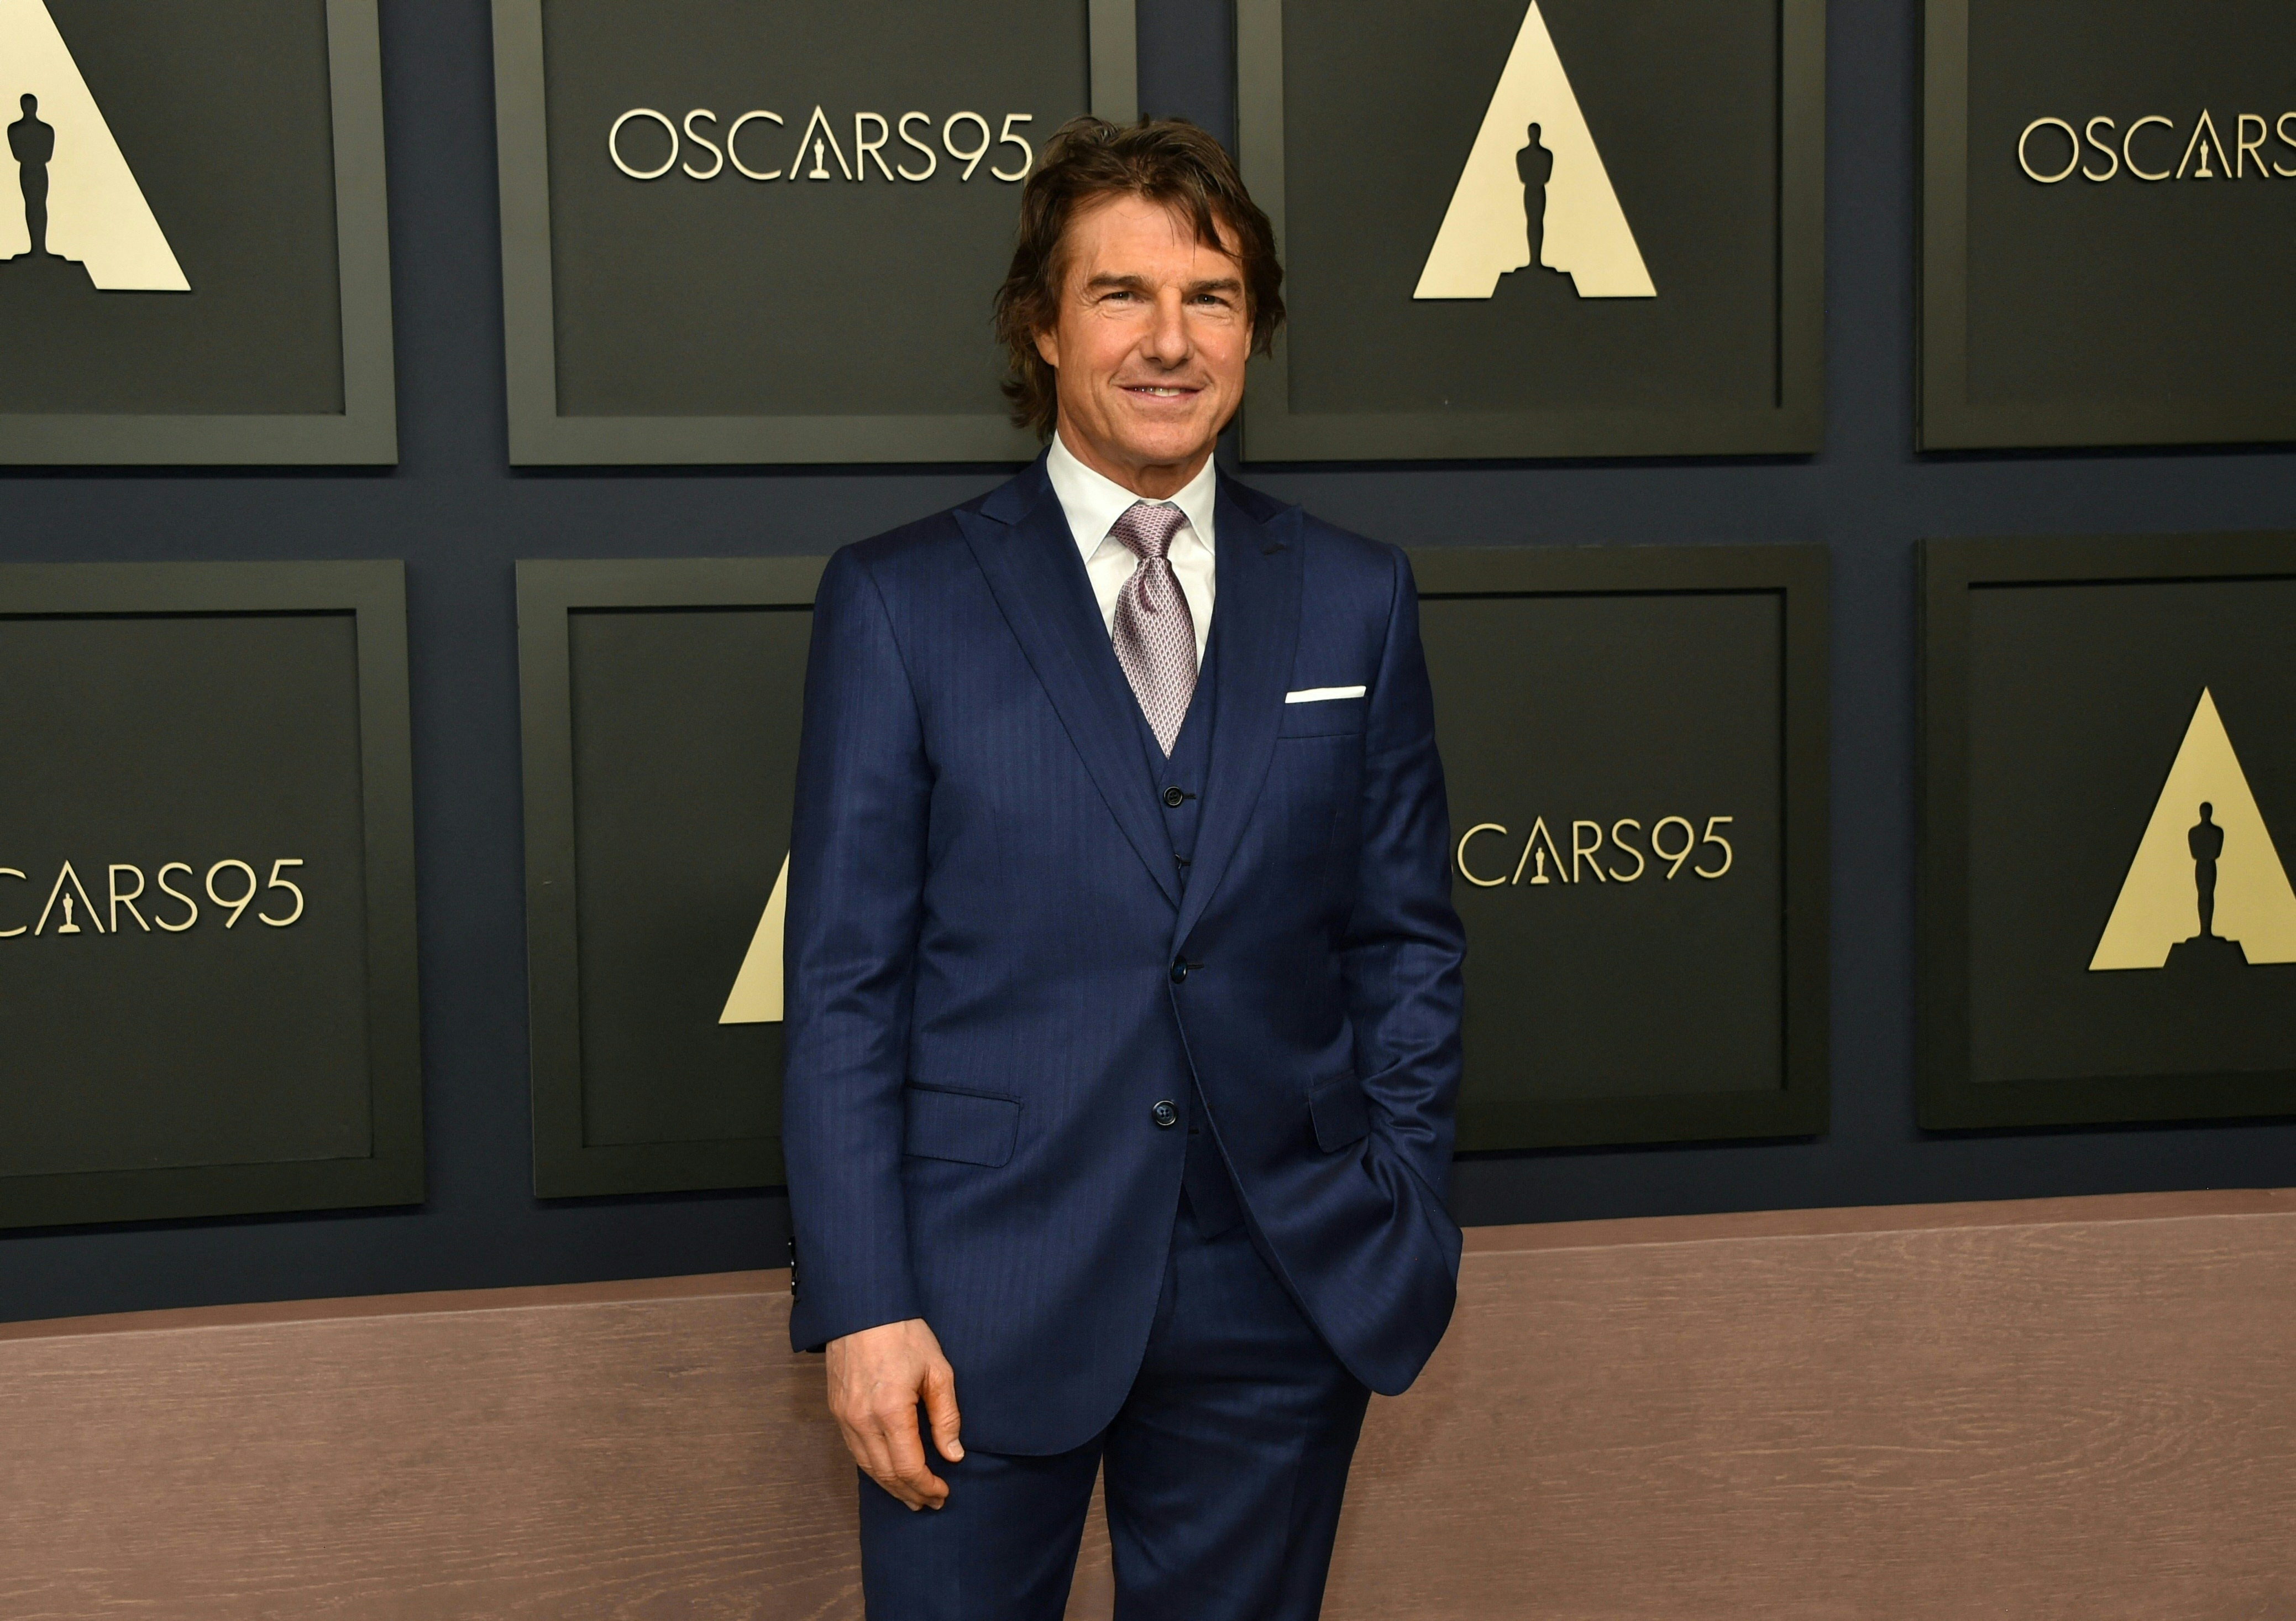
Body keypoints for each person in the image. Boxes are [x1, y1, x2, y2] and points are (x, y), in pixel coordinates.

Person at [782, 116, 1466, 1620]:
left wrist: (1397, 1199)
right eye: (1120, 294)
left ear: (1253, 328)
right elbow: (840, 982)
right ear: (1041, 323)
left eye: (1209, 297)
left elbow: (1402, 935)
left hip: (1283, 1285)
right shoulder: (900, 601)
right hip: (972, 1298)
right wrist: (864, 1301)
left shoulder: (1351, 596)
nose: (1170, 340)